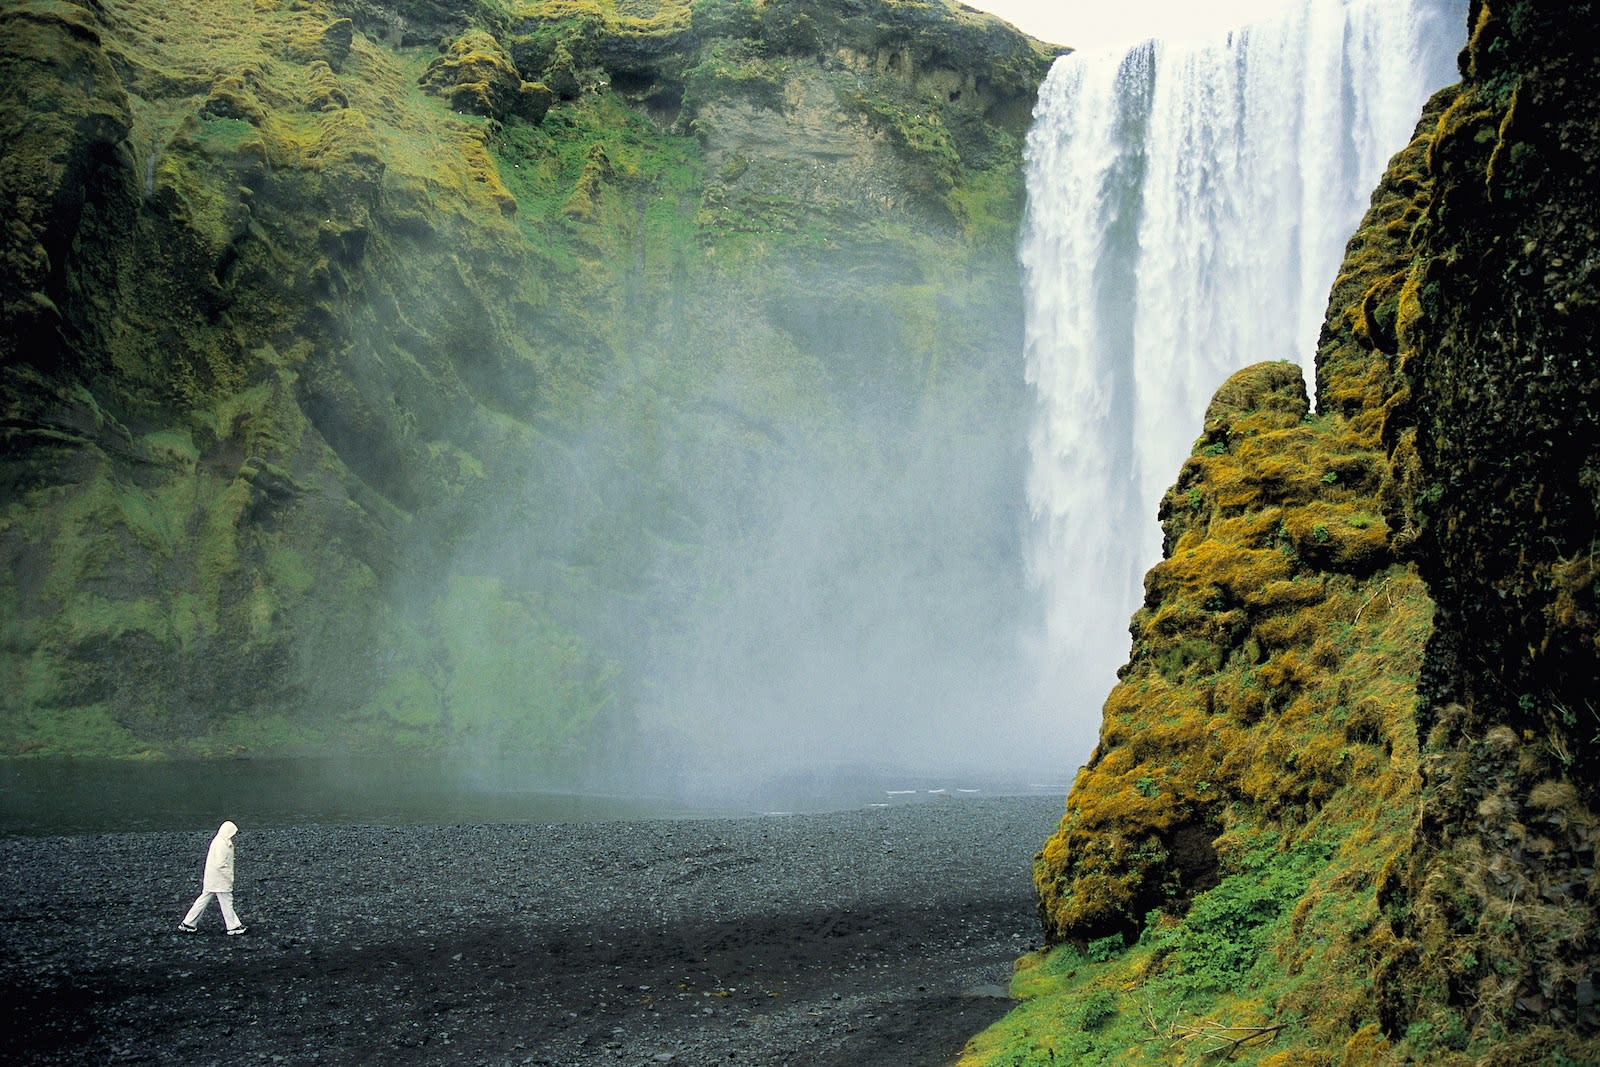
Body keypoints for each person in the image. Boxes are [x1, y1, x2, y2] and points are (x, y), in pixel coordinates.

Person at [178, 820, 248, 935]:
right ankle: (233, 926)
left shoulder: (220, 841)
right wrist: (228, 877)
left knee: (203, 900)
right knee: (226, 901)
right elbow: (220, 863)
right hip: (220, 879)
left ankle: (188, 923)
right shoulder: (222, 844)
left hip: (212, 878)